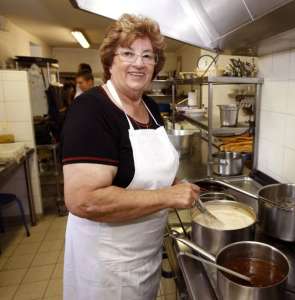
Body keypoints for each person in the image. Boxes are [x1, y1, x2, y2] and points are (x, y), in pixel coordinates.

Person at [61, 14, 200, 300]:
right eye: (128, 53)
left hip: (144, 257)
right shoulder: (90, 110)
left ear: (155, 65)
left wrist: (180, 184)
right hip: (105, 268)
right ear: (110, 61)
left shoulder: (149, 106)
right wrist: (169, 196)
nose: (139, 63)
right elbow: (84, 199)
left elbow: (152, 167)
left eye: (147, 56)